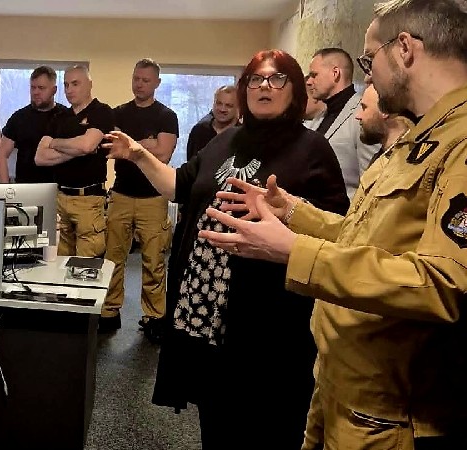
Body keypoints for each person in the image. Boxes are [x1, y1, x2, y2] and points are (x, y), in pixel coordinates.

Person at [200, 1, 467, 448]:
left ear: (404, 49)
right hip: (344, 385)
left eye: (369, 59)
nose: (368, 77)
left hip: (391, 411)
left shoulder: (460, 144)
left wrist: (295, 251)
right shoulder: (420, 138)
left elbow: (445, 285)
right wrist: (293, 212)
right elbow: (367, 236)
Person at [104, 49, 349, 449]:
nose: (264, 86)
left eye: (277, 78)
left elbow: (338, 231)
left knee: (265, 421)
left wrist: (288, 215)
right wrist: (137, 154)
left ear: (295, 90)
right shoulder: (226, 140)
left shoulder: (312, 148)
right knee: (216, 417)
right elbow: (179, 185)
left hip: (267, 319)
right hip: (205, 311)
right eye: (255, 79)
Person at [100, 58, 178, 338]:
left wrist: (132, 146)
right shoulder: (118, 113)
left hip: (153, 198)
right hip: (121, 194)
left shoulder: (166, 115)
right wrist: (148, 143)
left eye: (146, 80)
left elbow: (164, 154)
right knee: (113, 258)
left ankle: (154, 317)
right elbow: (113, 148)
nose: (140, 84)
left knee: (153, 260)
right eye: (136, 79)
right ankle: (109, 311)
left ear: (157, 83)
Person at [35, 65, 114, 257]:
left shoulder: (102, 112)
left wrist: (56, 144)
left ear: (89, 84)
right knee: (60, 262)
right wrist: (77, 149)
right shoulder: (59, 117)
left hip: (88, 200)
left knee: (86, 264)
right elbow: (40, 157)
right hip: (61, 198)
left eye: (75, 84)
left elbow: (86, 145)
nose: (69, 90)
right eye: (66, 85)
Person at [307, 48, 380, 198]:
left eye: (314, 75)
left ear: (335, 73)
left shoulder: (362, 112)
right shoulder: (320, 116)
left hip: (346, 209)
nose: (309, 81)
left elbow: (371, 177)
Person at [0, 66, 68, 183]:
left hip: (59, 188)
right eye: (33, 87)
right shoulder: (19, 118)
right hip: (26, 187)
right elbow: (2, 154)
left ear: (54, 90)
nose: (36, 92)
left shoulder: (66, 116)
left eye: (41, 88)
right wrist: (6, 188)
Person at [355, 83, 411, 166]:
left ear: (384, 111)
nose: (358, 116)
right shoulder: (381, 158)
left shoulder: (406, 162)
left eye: (364, 107)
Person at [186, 85, 239, 160]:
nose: (222, 109)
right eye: (219, 103)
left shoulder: (244, 135)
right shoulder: (199, 131)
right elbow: (191, 163)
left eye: (229, 106)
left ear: (238, 108)